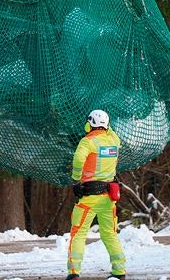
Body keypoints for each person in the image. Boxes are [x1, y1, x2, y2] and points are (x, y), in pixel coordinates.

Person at [66, 109, 125, 280]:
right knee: (110, 234)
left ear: (89, 124)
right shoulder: (114, 140)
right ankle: (119, 271)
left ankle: (74, 273)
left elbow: (78, 160)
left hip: (89, 197)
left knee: (78, 233)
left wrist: (75, 180)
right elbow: (111, 131)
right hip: (108, 198)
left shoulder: (87, 142)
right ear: (107, 125)